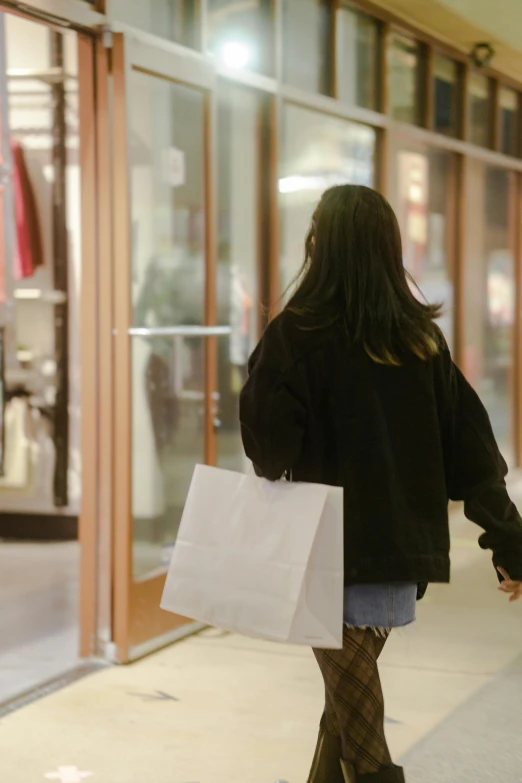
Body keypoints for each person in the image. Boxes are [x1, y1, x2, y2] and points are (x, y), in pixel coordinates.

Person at [239, 185, 522, 783]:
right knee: (343, 713)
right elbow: (474, 453)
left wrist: (258, 372)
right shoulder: (420, 341)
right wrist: (510, 544)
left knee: (363, 744)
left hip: (327, 558)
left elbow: (269, 455)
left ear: (321, 247)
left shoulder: (295, 336)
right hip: (398, 557)